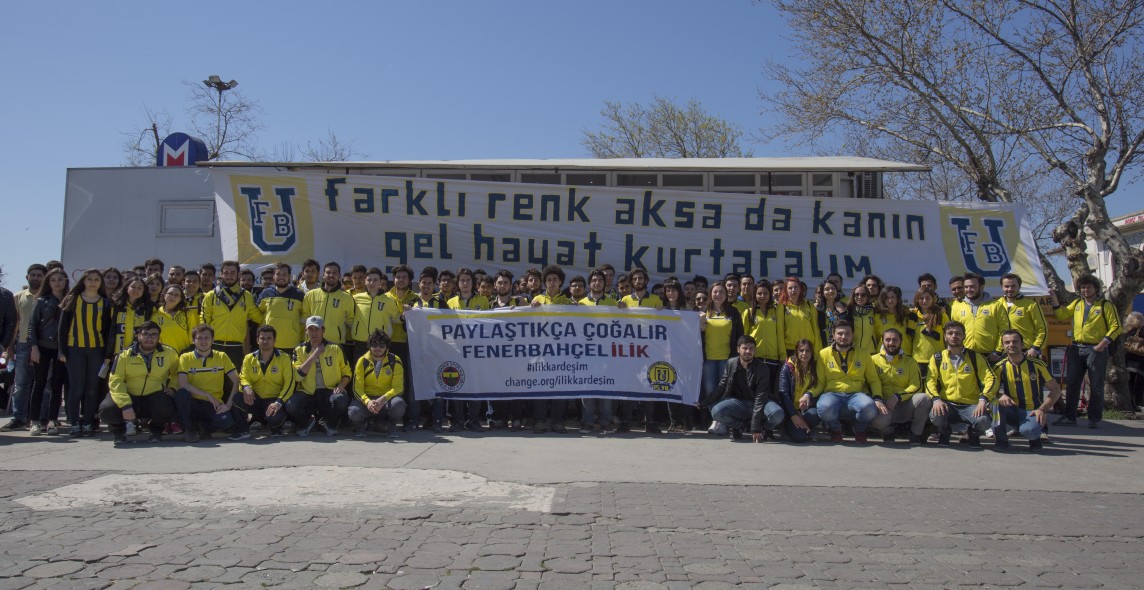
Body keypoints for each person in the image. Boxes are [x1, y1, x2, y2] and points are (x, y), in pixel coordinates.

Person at [1051, 274, 1120, 428]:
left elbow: (1116, 327)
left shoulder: (1105, 305)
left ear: (1096, 288)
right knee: (1072, 384)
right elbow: (1061, 315)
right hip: (1076, 348)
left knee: (1096, 385)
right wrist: (1054, 299)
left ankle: (1094, 419)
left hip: (1096, 349)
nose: (1085, 290)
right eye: (1082, 287)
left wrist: (1102, 344)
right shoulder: (1077, 303)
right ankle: (1070, 417)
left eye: (1088, 287)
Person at [98, 321, 179, 445]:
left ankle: (156, 431)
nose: (149, 338)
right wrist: (125, 405)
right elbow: (116, 380)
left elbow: (177, 374)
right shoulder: (124, 355)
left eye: (154, 335)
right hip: (130, 396)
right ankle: (118, 432)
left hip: (154, 395)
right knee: (106, 409)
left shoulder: (170, 353)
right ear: (139, 336)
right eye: (146, 334)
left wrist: (173, 387)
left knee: (168, 405)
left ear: (159, 337)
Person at [58, 268, 114, 437]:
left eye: (96, 279)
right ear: (83, 281)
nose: (93, 282)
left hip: (97, 350)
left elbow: (107, 330)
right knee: (76, 388)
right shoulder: (72, 299)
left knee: (92, 389)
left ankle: (88, 422)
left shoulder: (105, 302)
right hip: (74, 349)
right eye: (89, 279)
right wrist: (62, 351)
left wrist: (107, 354)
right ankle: (74, 423)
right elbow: (62, 327)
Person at [926, 321, 997, 447]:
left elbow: (991, 378)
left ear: (964, 336)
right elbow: (930, 381)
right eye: (950, 333)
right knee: (936, 416)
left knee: (984, 420)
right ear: (945, 336)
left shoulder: (975, 357)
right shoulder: (937, 358)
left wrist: (983, 399)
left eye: (958, 333)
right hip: (947, 404)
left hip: (971, 405)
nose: (954, 336)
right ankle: (944, 433)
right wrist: (936, 399)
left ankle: (973, 434)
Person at [809, 321, 881, 443]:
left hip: (856, 394)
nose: (843, 337)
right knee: (824, 408)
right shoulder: (823, 354)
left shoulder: (863, 353)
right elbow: (820, 382)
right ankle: (836, 429)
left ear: (852, 335)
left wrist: (877, 398)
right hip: (832, 393)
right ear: (833, 335)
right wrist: (809, 394)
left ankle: (859, 429)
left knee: (870, 408)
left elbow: (873, 380)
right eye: (840, 333)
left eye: (847, 333)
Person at [993, 330, 1063, 451]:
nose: (1011, 345)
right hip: (1011, 410)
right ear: (1003, 346)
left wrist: (1043, 409)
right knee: (994, 404)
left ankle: (1034, 438)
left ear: (1022, 344)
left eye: (1015, 341)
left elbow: (1056, 390)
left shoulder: (1037, 365)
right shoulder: (999, 367)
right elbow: (990, 391)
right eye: (1007, 342)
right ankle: (1001, 442)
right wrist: (1000, 395)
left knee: (1029, 431)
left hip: (1032, 411)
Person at [529, 264, 575, 433]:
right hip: (540, 351)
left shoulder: (567, 302)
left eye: (555, 279)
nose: (552, 282)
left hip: (561, 351)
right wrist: (528, 309)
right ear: (544, 282)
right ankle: (540, 421)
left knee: (559, 386)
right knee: (540, 386)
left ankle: (557, 422)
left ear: (560, 282)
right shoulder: (537, 300)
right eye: (548, 279)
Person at [175, 324, 239, 443]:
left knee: (226, 423)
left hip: (214, 404)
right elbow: (183, 384)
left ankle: (204, 428)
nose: (203, 341)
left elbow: (236, 381)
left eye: (207, 338)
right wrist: (206, 395)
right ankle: (190, 430)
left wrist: (228, 404)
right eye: (199, 338)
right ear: (193, 340)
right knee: (181, 394)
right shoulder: (185, 357)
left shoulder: (222, 356)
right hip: (193, 402)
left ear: (212, 339)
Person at [1, 263, 46, 432]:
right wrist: (9, 348)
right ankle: (19, 418)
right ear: (27, 277)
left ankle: (41, 419)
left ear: (44, 277)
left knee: (43, 385)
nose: (36, 278)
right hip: (22, 345)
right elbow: (13, 323)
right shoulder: (18, 296)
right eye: (33, 275)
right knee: (20, 384)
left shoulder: (49, 297)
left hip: (43, 346)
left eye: (39, 275)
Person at [232, 325, 296, 440]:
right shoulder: (249, 358)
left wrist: (279, 402)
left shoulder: (284, 358)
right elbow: (243, 376)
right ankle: (242, 431)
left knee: (274, 421)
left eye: (269, 338)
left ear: (274, 340)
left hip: (274, 400)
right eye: (262, 338)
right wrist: (246, 387)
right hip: (255, 399)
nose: (265, 341)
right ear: (257, 340)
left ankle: (276, 423)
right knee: (237, 399)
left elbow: (290, 382)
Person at [292, 316, 352, 437]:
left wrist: (341, 386)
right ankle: (308, 421)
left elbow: (347, 373)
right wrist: (314, 355)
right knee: (291, 404)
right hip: (308, 391)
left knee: (341, 399)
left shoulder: (335, 348)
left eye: (317, 329)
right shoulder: (299, 350)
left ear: (323, 330)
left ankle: (328, 422)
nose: (314, 333)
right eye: (311, 329)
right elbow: (298, 376)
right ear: (306, 331)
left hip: (329, 390)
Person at [446, 267, 490, 432]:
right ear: (457, 283)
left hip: (476, 351)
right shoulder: (450, 302)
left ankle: (473, 420)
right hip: (456, 351)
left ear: (473, 283)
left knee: (475, 386)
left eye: (468, 280)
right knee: (457, 385)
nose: (465, 283)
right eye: (462, 280)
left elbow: (490, 324)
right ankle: (458, 421)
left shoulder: (483, 301)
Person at [26, 268, 68, 436]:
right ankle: (34, 421)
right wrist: (34, 347)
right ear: (48, 283)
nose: (57, 283)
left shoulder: (70, 301)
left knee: (57, 386)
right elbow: (32, 326)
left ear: (66, 281)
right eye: (53, 280)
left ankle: (52, 420)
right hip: (42, 347)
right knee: (39, 384)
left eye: (60, 279)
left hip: (61, 349)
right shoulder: (42, 301)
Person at [200, 260, 264, 370]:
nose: (229, 276)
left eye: (232, 272)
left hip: (236, 347)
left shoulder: (246, 296)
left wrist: (267, 307)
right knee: (214, 379)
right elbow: (204, 321)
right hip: (214, 345)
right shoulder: (211, 295)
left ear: (238, 274)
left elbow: (259, 318)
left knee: (234, 379)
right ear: (221, 274)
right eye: (226, 273)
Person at [706, 336, 773, 441]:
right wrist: (703, 402)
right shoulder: (731, 363)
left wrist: (755, 427)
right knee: (716, 412)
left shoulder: (763, 368)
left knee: (777, 414)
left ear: (755, 350)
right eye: (745, 348)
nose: (748, 351)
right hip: (739, 403)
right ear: (738, 349)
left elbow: (760, 398)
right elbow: (721, 386)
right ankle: (738, 426)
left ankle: (764, 427)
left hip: (760, 403)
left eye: (751, 348)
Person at [577, 269, 619, 433]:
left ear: (605, 283)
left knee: (606, 387)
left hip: (607, 353)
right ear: (589, 284)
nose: (597, 283)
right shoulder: (580, 304)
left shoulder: (613, 304)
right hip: (586, 353)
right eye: (594, 280)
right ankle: (587, 421)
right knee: (586, 388)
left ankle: (606, 421)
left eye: (600, 280)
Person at [869, 328, 929, 444]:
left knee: (924, 399)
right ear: (882, 341)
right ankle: (888, 431)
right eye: (888, 340)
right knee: (878, 421)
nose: (891, 343)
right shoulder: (872, 360)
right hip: (883, 405)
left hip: (904, 404)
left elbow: (916, 385)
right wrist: (877, 400)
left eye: (895, 340)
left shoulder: (910, 361)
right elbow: (868, 383)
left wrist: (898, 396)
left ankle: (916, 434)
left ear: (901, 341)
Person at [700, 282, 744, 435]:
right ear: (710, 294)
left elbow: (740, 335)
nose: (718, 295)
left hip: (727, 359)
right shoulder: (704, 312)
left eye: (721, 292)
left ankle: (722, 422)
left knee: (725, 391)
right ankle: (716, 419)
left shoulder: (733, 312)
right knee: (711, 391)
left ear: (726, 295)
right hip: (708, 359)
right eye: (715, 292)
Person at [349, 329, 406, 437]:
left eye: (381, 345)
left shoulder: (395, 360)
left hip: (387, 400)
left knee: (399, 404)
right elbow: (357, 388)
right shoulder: (362, 361)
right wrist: (367, 402)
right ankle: (362, 425)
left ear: (387, 347)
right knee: (354, 411)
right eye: (374, 345)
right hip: (368, 399)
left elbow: (399, 388)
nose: (378, 348)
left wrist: (383, 399)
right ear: (370, 346)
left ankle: (391, 425)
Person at [387, 264, 420, 431]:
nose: (400, 280)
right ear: (393, 278)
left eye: (404, 277)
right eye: (398, 277)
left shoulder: (416, 298)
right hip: (388, 345)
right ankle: (387, 418)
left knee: (408, 384)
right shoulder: (386, 297)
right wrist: (402, 316)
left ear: (410, 280)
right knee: (387, 381)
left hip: (408, 344)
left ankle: (410, 420)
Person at [350, 267, 400, 377]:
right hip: (360, 343)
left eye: (375, 280)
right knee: (359, 374)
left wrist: (407, 314)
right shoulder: (355, 298)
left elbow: (397, 318)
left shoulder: (389, 300)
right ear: (365, 281)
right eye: (369, 280)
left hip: (380, 345)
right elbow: (348, 316)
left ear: (380, 282)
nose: (372, 283)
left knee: (379, 376)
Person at [950, 273, 1009, 360]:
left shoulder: (996, 305)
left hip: (990, 356)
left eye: (972, 286)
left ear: (981, 287)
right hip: (965, 354)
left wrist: (998, 352)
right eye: (966, 287)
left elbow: (1004, 330)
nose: (968, 290)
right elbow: (954, 331)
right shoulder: (957, 306)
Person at [301, 261, 355, 347]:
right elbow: (305, 318)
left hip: (335, 343)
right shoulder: (311, 295)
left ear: (339, 276)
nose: (331, 275)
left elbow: (351, 321)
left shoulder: (346, 297)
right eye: (328, 272)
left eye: (334, 273)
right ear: (323, 275)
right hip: (313, 342)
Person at [257, 263, 305, 352]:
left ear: (289, 276)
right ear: (273, 276)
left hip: (291, 344)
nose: (281, 277)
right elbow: (258, 315)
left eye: (284, 274)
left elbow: (304, 318)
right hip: (269, 343)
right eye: (278, 274)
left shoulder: (299, 294)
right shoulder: (265, 293)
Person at [1000, 273, 1047, 358]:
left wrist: (1035, 348)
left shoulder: (1031, 305)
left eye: (1013, 286)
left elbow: (1042, 329)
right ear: (1002, 287)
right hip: (1003, 353)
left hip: (1026, 352)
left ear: (1019, 286)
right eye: (1006, 286)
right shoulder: (997, 305)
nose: (1010, 289)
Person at [779, 339, 817, 443]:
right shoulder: (788, 367)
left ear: (812, 352)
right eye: (801, 350)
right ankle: (787, 427)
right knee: (800, 437)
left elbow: (818, 387)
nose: (804, 353)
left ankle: (808, 425)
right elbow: (784, 393)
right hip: (790, 410)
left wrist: (808, 398)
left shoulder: (815, 367)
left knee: (817, 414)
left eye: (808, 350)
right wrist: (793, 415)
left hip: (805, 408)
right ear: (796, 351)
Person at [910, 288, 948, 379]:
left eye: (928, 298)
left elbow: (947, 337)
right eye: (921, 298)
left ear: (933, 299)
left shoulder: (941, 315)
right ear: (917, 299)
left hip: (939, 358)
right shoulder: (912, 315)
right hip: (918, 359)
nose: (924, 301)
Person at [780, 277, 820, 355]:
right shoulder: (782, 307)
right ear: (786, 290)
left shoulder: (809, 305)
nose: (793, 290)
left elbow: (816, 329)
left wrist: (817, 351)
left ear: (800, 289)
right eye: (790, 288)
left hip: (808, 348)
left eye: (796, 287)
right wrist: (782, 353)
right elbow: (780, 332)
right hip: (790, 349)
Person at [154, 285, 195, 353]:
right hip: (164, 355)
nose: (172, 297)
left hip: (183, 354)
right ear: (164, 295)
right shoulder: (155, 315)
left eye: (176, 295)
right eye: (170, 293)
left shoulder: (188, 314)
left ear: (180, 299)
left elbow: (193, 335)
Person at [846, 285, 878, 357]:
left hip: (870, 352)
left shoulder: (875, 311)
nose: (859, 297)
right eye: (857, 294)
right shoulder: (848, 311)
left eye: (863, 295)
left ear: (868, 296)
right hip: (852, 351)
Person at [1123, 311, 1144, 412]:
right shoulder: (1142, 330)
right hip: (1139, 361)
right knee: (1138, 384)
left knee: (1129, 384)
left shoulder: (1126, 330)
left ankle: (1131, 403)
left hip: (1128, 360)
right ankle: (1137, 403)